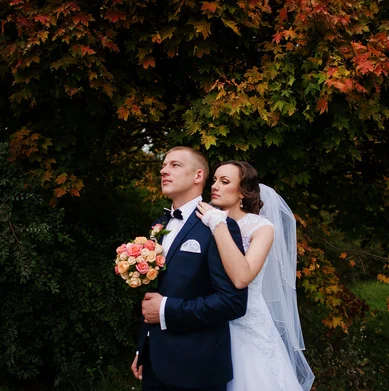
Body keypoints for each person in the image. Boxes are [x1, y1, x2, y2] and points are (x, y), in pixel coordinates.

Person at [131, 147, 248, 391]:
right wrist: (143, 347)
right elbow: (155, 291)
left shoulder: (218, 225)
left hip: (196, 370)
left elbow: (233, 303)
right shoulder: (159, 224)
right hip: (154, 364)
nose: (163, 170)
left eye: (175, 165)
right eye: (164, 165)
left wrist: (166, 309)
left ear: (197, 176)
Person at [196, 161, 315, 391]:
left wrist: (217, 223)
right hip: (209, 316)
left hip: (247, 325)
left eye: (225, 181)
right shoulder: (202, 220)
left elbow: (243, 277)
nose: (215, 186)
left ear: (243, 191)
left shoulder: (261, 228)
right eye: (214, 180)